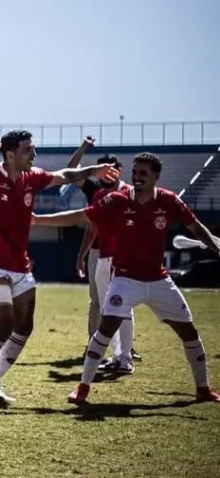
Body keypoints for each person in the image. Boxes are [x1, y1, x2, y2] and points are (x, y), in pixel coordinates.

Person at [32, 152, 220, 404]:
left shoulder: (169, 201)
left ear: (156, 177)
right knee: (105, 330)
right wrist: (37, 219)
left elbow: (196, 227)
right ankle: (83, 388)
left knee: (189, 332)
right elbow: (81, 217)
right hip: (124, 280)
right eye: (135, 172)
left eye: (144, 173)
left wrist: (217, 248)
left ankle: (203, 389)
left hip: (159, 280)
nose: (138, 177)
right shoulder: (116, 200)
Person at [0, 130, 117, 405]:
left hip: (20, 264)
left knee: (24, 327)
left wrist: (94, 170)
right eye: (27, 150)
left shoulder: (32, 178)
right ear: (10, 155)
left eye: (33, 149)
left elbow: (64, 176)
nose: (34, 155)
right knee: (3, 325)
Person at [82, 170, 137, 374]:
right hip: (103, 257)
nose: (105, 175)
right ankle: (116, 355)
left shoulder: (129, 193)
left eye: (110, 170)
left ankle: (126, 357)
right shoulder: (99, 195)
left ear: (118, 172)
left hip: (122, 258)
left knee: (123, 306)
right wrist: (83, 254)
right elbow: (92, 226)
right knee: (108, 308)